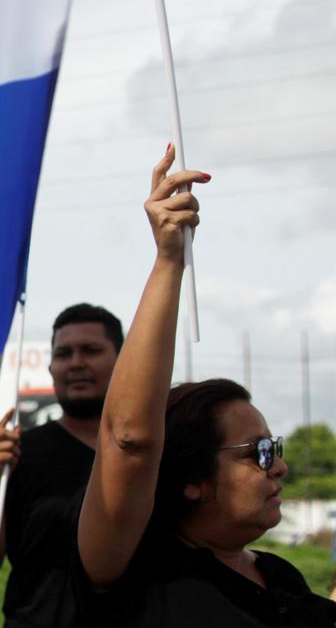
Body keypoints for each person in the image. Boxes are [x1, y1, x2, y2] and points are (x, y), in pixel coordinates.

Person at [76, 144, 336, 626]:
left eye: (273, 447)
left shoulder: (281, 577)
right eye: (258, 452)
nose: (278, 467)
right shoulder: (136, 568)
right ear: (192, 480)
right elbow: (129, 441)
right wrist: (169, 260)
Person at [0, 302, 122, 627]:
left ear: (123, 361)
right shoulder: (18, 453)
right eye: (63, 354)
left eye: (90, 350)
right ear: (50, 368)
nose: (76, 363)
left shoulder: (150, 453)